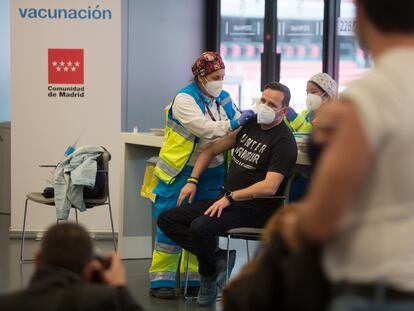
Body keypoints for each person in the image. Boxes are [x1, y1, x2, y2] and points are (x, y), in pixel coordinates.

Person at [276, 0, 414, 310]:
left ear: (362, 15)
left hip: (377, 288)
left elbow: (320, 221)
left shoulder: (372, 96)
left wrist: (293, 225)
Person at [158, 81, 298, 306]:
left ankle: (207, 278)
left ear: (283, 111)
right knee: (167, 218)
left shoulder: (284, 141)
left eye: (271, 104)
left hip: (256, 208)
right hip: (227, 199)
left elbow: (270, 187)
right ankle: (217, 259)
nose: (264, 106)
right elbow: (211, 149)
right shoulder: (251, 124)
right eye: (263, 100)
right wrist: (193, 180)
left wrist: (231, 198)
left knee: (201, 226)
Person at [149, 51, 255, 299]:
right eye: (215, 76)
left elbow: (235, 124)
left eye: (223, 76)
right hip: (180, 172)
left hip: (214, 172)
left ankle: (199, 278)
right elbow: (205, 129)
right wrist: (234, 124)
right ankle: (161, 282)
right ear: (200, 77)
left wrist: (247, 121)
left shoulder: (225, 98)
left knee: (202, 225)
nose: (220, 81)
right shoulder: (184, 99)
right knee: (168, 224)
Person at [0, 223, 142, 311]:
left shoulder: (5, 304)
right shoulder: (103, 301)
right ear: (89, 268)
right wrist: (120, 287)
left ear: (37, 260)